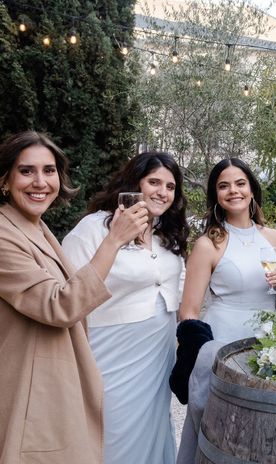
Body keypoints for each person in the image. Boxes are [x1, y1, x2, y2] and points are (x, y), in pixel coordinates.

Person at [0, 131, 148, 464]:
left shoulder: (35, 226)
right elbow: (59, 305)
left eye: (49, 171)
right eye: (26, 171)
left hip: (52, 384)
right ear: (5, 180)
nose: (40, 182)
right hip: (28, 391)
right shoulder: (3, 235)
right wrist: (113, 242)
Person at [61, 152, 188, 464]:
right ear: (134, 184)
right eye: (154, 182)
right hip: (111, 350)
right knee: (111, 429)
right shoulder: (94, 228)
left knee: (153, 429)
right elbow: (70, 288)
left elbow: (180, 287)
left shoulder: (166, 234)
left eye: (170, 187)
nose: (162, 192)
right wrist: (115, 239)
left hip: (159, 351)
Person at [177, 157, 276, 463]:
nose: (233, 191)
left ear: (252, 189)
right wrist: (202, 358)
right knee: (221, 431)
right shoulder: (208, 244)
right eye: (223, 185)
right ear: (216, 195)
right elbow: (188, 311)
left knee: (268, 428)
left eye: (240, 183)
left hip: (268, 342)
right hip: (222, 343)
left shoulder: (275, 239)